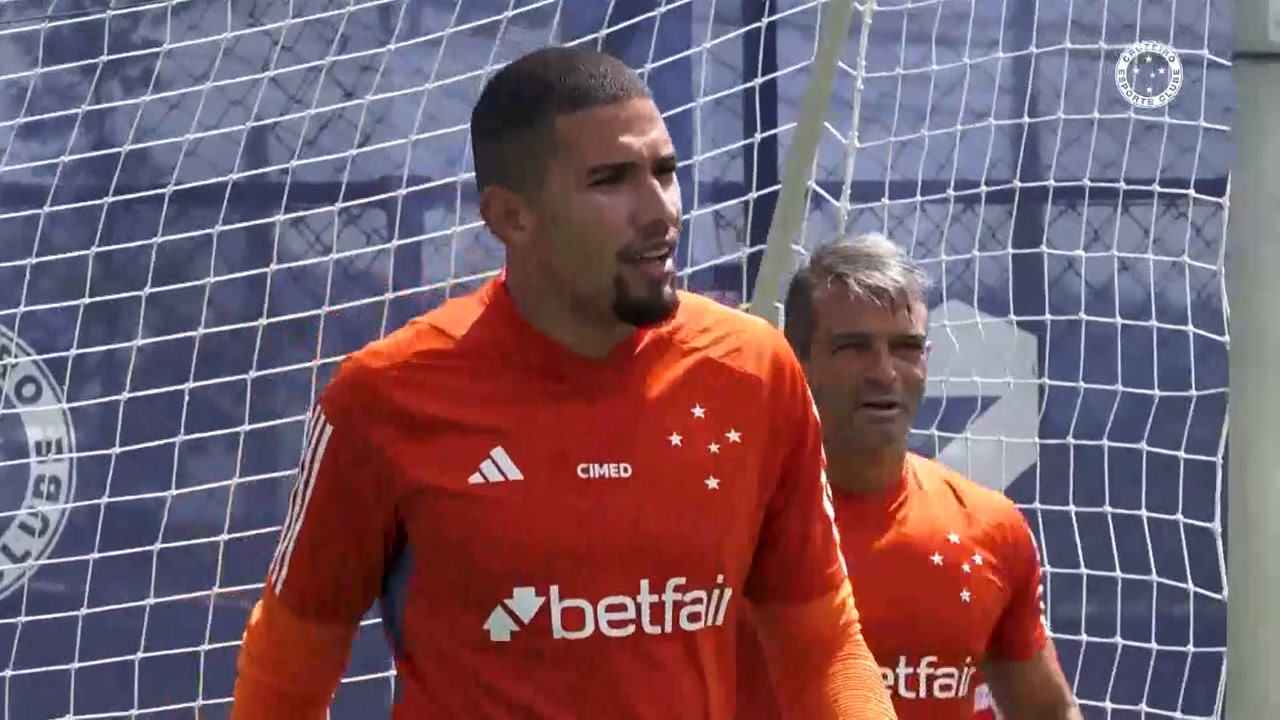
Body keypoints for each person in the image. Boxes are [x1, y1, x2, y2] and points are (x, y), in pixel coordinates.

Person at [229, 46, 897, 719]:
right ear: (510, 217)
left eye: (665, 172)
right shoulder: (384, 396)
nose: (660, 211)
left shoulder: (754, 370)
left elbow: (824, 645)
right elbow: (286, 674)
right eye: (610, 181)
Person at [736, 233, 1081, 720]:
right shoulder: (727, 527)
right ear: (797, 361)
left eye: (905, 348)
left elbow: (1048, 710)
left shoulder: (989, 528)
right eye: (854, 348)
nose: (884, 372)